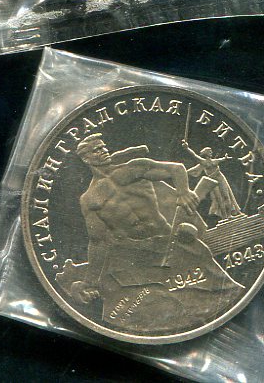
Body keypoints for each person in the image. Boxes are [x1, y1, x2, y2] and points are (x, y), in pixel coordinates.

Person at [57, 133, 243, 334]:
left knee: (218, 284)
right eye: (96, 150)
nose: (103, 151)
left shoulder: (133, 168)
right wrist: (90, 282)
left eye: (103, 147)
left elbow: (176, 169)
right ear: (86, 159)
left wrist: (183, 191)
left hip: (171, 240)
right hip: (141, 255)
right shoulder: (90, 199)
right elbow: (98, 242)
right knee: (157, 303)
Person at [180, 140, 245, 222]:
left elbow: (221, 159)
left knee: (226, 196)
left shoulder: (214, 161)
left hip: (221, 179)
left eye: (211, 152)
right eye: (209, 152)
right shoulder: (203, 162)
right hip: (212, 181)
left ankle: (229, 215)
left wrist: (225, 158)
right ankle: (225, 217)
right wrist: (187, 148)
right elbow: (194, 155)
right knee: (219, 200)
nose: (211, 153)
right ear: (206, 153)